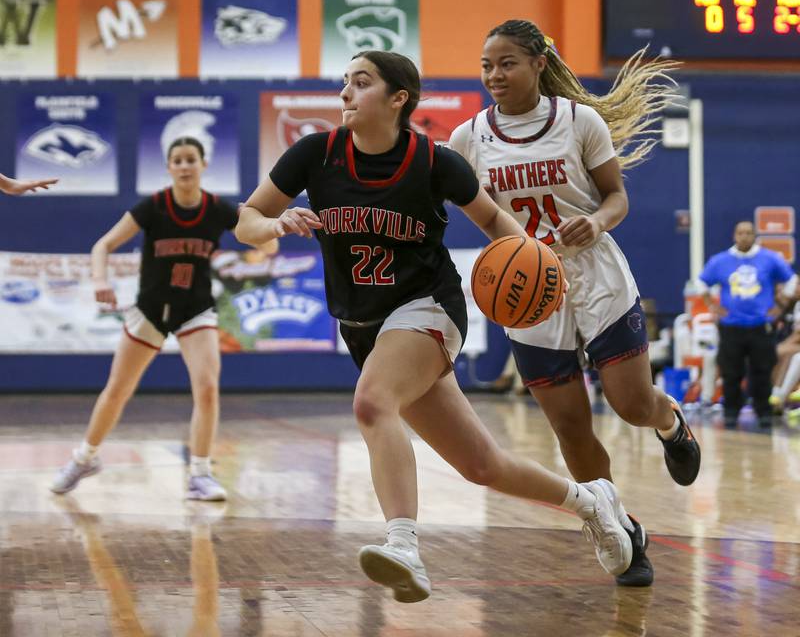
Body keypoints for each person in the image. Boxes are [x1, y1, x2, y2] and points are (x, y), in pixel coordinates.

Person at [235, 49, 635, 603]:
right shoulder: (315, 154)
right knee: (481, 466)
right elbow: (246, 220)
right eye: (345, 82)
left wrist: (542, 269)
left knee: (372, 403)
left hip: (427, 307)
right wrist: (275, 223)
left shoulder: (435, 162)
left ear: (398, 98)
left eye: (361, 82)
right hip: (364, 325)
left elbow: (496, 221)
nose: (346, 93)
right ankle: (592, 502)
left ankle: (403, 546)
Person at [448, 19, 703, 587]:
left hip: (595, 272)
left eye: (507, 63)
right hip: (528, 287)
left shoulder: (578, 121)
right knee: (570, 428)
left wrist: (597, 221)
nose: (494, 75)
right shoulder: (468, 139)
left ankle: (670, 422)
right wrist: (515, 253)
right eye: (487, 65)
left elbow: (616, 197)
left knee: (631, 404)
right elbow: (478, 215)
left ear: (539, 63)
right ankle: (621, 531)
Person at [50, 137, 238, 500]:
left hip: (195, 309)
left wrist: (268, 230)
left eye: (191, 159)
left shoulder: (218, 209)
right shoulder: (154, 206)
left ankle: (199, 474)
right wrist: (100, 280)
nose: (184, 166)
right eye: (177, 160)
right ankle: (84, 458)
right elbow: (102, 245)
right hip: (151, 309)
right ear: (169, 168)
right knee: (118, 389)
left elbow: (262, 238)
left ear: (203, 165)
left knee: (207, 388)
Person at [698, 220, 796, 428]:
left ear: (755, 236)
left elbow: (791, 280)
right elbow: (701, 282)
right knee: (731, 372)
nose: (744, 236)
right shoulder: (720, 260)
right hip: (731, 326)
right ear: (734, 235)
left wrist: (781, 306)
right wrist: (712, 305)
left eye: (749, 233)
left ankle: (764, 412)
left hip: (761, 325)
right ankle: (731, 412)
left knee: (762, 370)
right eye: (740, 233)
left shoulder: (769, 259)